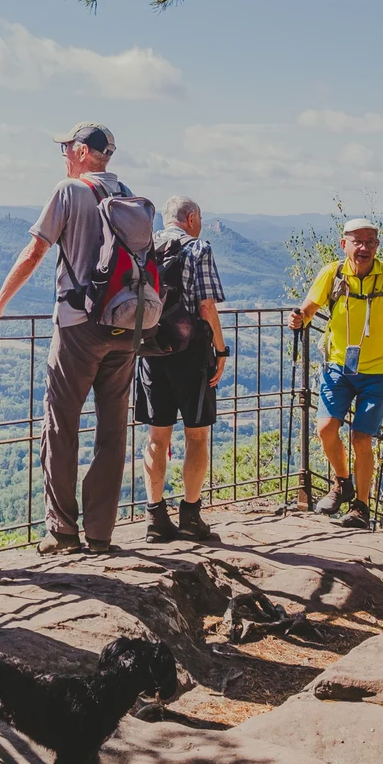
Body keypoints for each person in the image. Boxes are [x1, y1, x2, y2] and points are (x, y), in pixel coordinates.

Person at [0, 122, 140, 555]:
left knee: (60, 424)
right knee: (113, 429)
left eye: (65, 148)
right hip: (126, 324)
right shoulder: (127, 194)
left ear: (81, 151)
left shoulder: (69, 191)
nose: (62, 156)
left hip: (78, 324)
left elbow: (35, 251)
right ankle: (101, 532)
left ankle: (62, 531)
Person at [288, 219, 383, 528]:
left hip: (379, 371)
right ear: (344, 245)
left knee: (361, 439)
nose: (364, 248)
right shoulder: (332, 273)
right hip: (338, 367)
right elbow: (308, 310)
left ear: (377, 246)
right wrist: (299, 319)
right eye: (358, 241)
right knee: (326, 429)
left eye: (371, 242)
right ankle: (342, 483)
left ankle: (361, 508)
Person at [138, 196, 228, 543]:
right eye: (199, 218)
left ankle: (154, 517)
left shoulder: (144, 247)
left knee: (157, 437)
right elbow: (206, 306)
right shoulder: (198, 248)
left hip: (150, 349)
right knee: (196, 434)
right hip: (191, 353)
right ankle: (190, 515)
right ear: (191, 218)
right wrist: (221, 349)